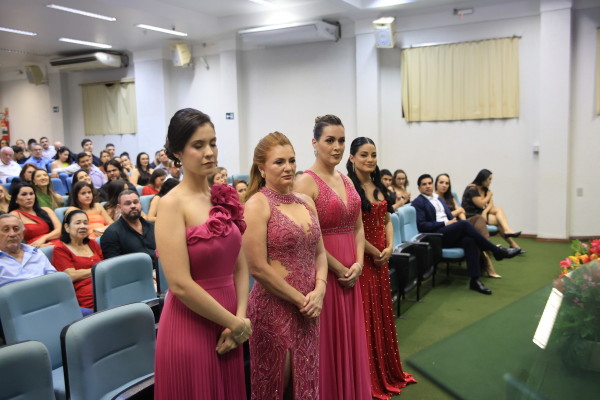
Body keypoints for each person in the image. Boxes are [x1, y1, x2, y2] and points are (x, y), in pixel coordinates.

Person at [154, 108, 250, 399]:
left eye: (213, 143)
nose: (209, 152)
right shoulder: (171, 204)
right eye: (198, 145)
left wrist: (240, 319)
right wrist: (235, 323)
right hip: (191, 324)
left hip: (230, 325)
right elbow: (180, 284)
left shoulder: (223, 197)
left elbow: (240, 266)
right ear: (177, 153)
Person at [244, 132, 327, 399]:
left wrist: (320, 290)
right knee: (278, 385)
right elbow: (257, 267)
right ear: (261, 168)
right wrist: (302, 300)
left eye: (291, 160)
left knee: (306, 379)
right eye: (279, 162)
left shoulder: (307, 201)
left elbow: (320, 253)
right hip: (274, 309)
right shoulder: (257, 204)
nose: (288, 167)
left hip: (309, 308)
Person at [294, 114, 371, 400]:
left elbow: (358, 227)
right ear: (314, 143)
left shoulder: (347, 180)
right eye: (330, 140)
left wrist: (359, 263)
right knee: (327, 341)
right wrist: (339, 269)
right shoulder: (305, 182)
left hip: (352, 271)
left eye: (341, 140)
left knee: (350, 338)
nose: (337, 147)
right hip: (324, 273)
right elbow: (308, 238)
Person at [347, 137, 417, 398]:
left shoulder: (377, 186)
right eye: (364, 155)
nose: (370, 159)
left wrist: (389, 247)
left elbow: (387, 219)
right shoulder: (349, 189)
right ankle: (368, 376)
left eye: (373, 155)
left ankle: (386, 370)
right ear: (352, 158)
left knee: (381, 314)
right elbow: (352, 230)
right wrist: (375, 252)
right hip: (363, 259)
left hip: (381, 260)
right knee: (366, 317)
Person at [412, 174, 521, 295]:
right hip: (437, 236)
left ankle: (475, 280)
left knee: (470, 240)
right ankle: (496, 251)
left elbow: (449, 216)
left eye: (429, 183)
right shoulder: (418, 202)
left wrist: (452, 222)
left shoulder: (438, 199)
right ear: (419, 188)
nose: (428, 186)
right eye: (424, 184)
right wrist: (444, 223)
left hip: (448, 231)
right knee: (464, 224)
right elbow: (422, 226)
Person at [435, 173, 501, 278]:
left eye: (447, 183)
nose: (444, 185)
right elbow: (445, 216)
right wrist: (459, 213)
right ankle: (489, 254)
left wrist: (465, 222)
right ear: (436, 184)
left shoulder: (450, 197)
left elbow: (462, 210)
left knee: (478, 218)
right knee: (472, 233)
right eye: (441, 182)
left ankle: (486, 249)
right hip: (447, 227)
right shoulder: (434, 199)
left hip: (459, 224)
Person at [52, 209, 102, 312]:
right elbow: (71, 275)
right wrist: (97, 269)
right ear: (67, 227)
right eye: (78, 223)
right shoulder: (60, 249)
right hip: (86, 299)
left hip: (104, 288)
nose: (83, 226)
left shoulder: (92, 243)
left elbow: (105, 266)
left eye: (85, 223)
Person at [462, 169, 523, 251]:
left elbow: (491, 204)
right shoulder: (472, 189)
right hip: (471, 215)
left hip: (481, 212)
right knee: (498, 220)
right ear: (483, 178)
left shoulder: (485, 189)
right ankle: (513, 244)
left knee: (498, 209)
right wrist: (489, 195)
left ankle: (507, 230)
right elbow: (480, 204)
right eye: (489, 179)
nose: (490, 182)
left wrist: (485, 211)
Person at [101, 190, 157, 268]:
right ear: (119, 208)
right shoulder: (111, 234)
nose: (133, 206)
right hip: (135, 274)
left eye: (136, 202)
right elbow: (114, 267)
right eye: (127, 204)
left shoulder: (152, 226)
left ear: (140, 204)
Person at [0, 214, 56, 287]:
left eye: (16, 229)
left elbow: (54, 279)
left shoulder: (36, 253)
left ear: (23, 233)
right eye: (6, 230)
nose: (12, 234)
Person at [8, 184, 61, 248]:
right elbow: (14, 239)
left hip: (55, 243)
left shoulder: (46, 210)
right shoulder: (14, 215)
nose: (29, 198)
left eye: (31, 194)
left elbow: (60, 230)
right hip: (32, 248)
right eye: (24, 194)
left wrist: (43, 238)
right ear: (16, 199)